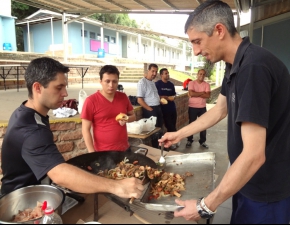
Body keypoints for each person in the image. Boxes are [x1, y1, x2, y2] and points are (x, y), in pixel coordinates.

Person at [159, 0, 290, 224]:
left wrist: (204, 206)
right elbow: (219, 110)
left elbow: (254, 155)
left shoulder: (253, 68)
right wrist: (179, 134)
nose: (196, 51)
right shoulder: (234, 65)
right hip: (244, 179)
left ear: (219, 30)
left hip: (266, 189)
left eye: (197, 41)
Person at [0, 57, 144, 199]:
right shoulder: (31, 129)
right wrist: (117, 186)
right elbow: (60, 175)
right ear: (37, 88)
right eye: (59, 87)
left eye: (65, 86)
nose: (65, 93)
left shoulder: (26, 112)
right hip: (21, 201)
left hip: (35, 191)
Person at [81, 65, 136, 152]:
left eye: (114, 81)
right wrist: (91, 153)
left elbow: (133, 115)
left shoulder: (123, 97)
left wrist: (127, 119)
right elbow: (85, 129)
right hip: (102, 152)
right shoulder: (91, 101)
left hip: (124, 149)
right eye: (107, 81)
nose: (111, 85)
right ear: (101, 82)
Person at [155, 68, 180, 150]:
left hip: (172, 108)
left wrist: (170, 98)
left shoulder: (171, 85)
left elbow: (174, 95)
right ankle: (172, 142)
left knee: (173, 125)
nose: (167, 74)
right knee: (169, 126)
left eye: (168, 73)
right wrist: (163, 97)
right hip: (164, 110)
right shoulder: (157, 84)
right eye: (165, 73)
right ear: (161, 75)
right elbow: (155, 96)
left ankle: (174, 140)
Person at [186, 69, 211, 148]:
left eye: (203, 74)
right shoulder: (191, 83)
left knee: (203, 125)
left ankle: (202, 141)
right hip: (192, 107)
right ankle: (189, 140)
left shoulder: (207, 84)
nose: (202, 76)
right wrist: (202, 93)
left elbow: (208, 95)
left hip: (202, 107)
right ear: (197, 74)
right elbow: (191, 93)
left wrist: (195, 94)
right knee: (191, 124)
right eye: (200, 74)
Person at [137, 63, 163, 128]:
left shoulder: (152, 82)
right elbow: (139, 100)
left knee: (159, 128)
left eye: (156, 72)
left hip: (158, 107)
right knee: (153, 131)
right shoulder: (142, 82)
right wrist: (150, 110)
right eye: (153, 71)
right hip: (150, 109)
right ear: (148, 70)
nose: (154, 74)